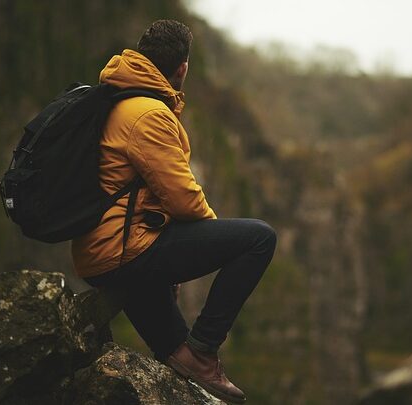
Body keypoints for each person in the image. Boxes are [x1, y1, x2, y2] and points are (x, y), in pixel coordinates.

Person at [71, 19, 276, 404]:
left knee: (176, 358)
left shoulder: (117, 98)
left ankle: (191, 360)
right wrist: (205, 244)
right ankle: (205, 349)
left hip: (105, 250)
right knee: (258, 238)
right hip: (122, 251)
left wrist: (173, 249)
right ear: (182, 68)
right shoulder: (148, 113)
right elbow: (182, 197)